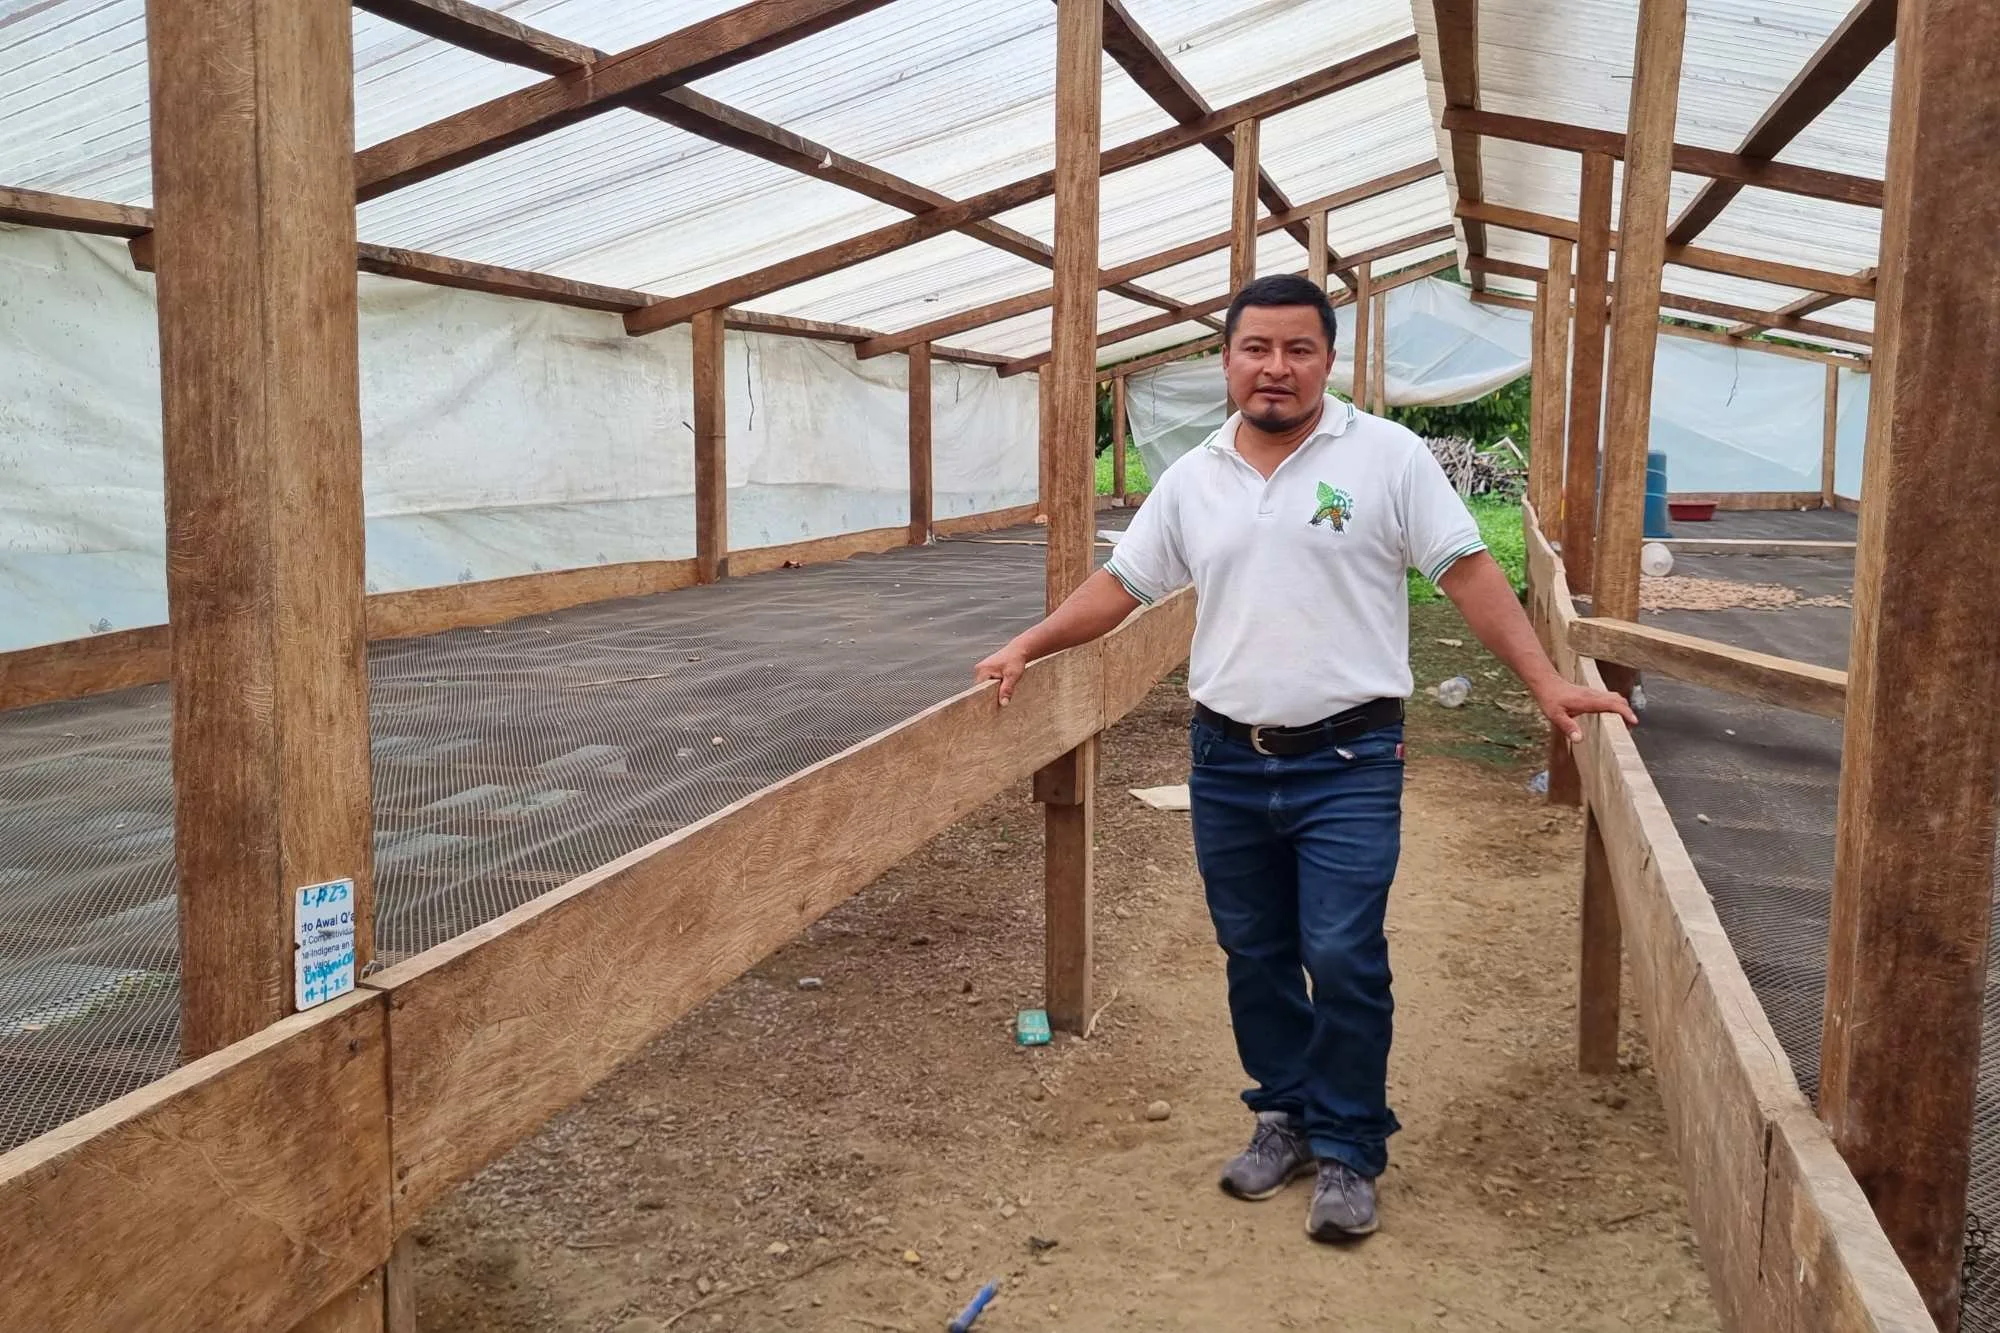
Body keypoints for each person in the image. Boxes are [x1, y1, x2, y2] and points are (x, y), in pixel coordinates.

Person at [973, 273, 1634, 1243]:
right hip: (1227, 757)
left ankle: (1349, 1145)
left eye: (1297, 349)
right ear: (1227, 360)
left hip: (1350, 754)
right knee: (1255, 951)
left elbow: (1465, 570)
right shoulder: (1195, 475)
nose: (1274, 367)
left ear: (1327, 361)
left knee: (1341, 951)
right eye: (1256, 348)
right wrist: (1030, 644)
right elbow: (1124, 582)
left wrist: (1546, 681)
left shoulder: (1386, 457)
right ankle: (1283, 1112)